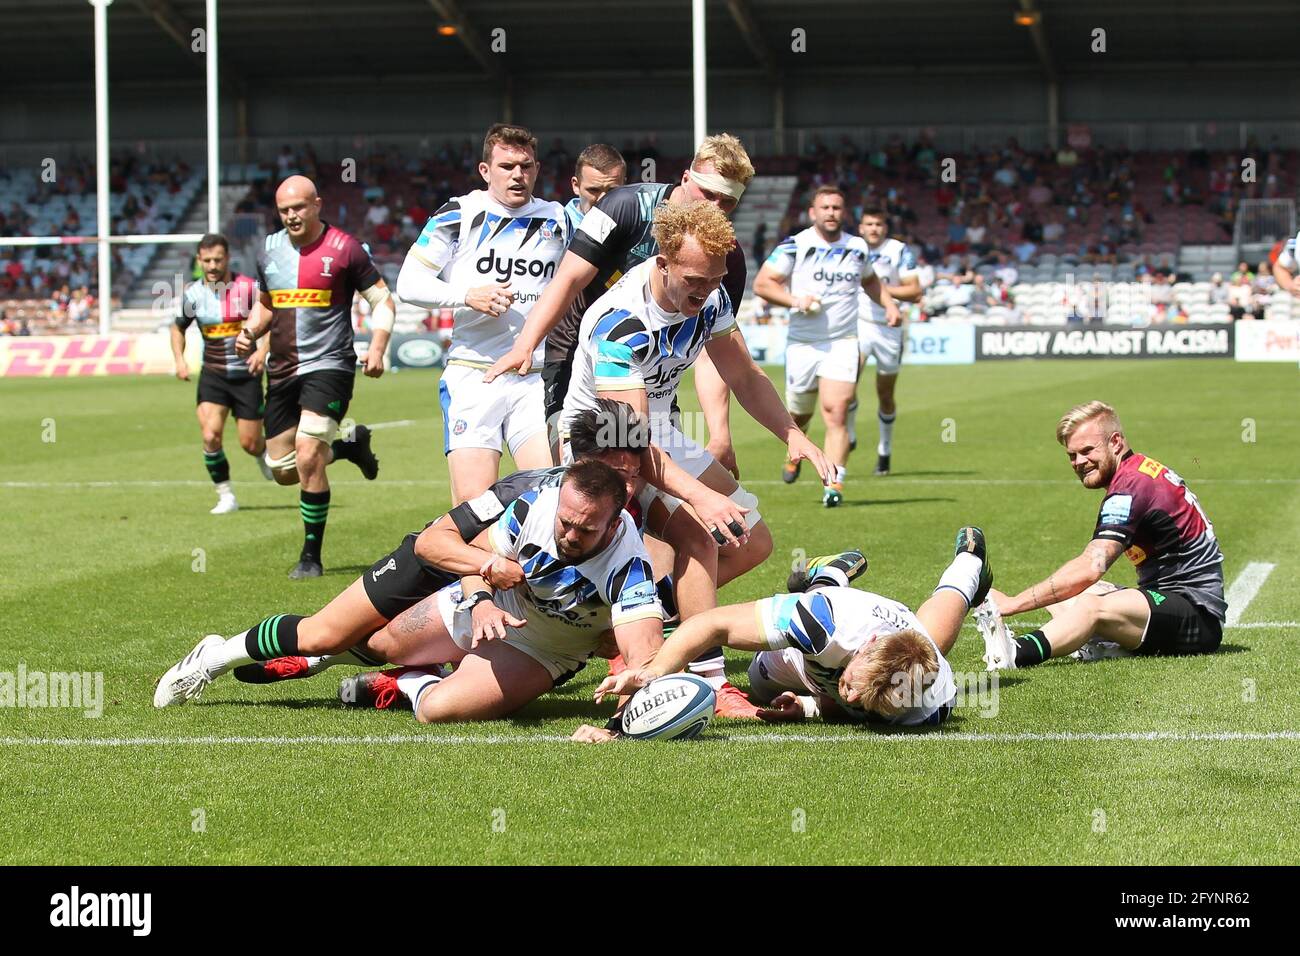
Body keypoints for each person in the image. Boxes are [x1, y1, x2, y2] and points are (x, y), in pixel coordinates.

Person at [560, 200, 833, 713]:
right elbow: (632, 444)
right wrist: (702, 499)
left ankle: (639, 623)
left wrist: (791, 432)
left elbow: (745, 376)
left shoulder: (711, 297)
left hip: (656, 427)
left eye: (716, 279)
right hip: (601, 443)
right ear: (661, 262)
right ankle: (711, 681)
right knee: (696, 536)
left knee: (751, 540)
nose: (706, 290)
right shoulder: (618, 322)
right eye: (695, 279)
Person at [154, 460, 665, 733]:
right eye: (566, 523)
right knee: (335, 634)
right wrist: (483, 591)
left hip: (541, 643)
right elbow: (443, 544)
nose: (570, 535)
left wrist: (620, 722)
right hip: (445, 563)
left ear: (616, 519)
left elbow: (644, 658)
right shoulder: (529, 495)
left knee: (438, 711)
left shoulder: (630, 565)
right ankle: (219, 656)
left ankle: (405, 682)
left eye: (585, 529)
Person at [578, 527, 996, 741]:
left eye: (863, 700)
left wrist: (812, 708)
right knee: (759, 678)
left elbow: (858, 705)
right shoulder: (823, 622)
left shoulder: (926, 703)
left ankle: (969, 564)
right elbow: (710, 624)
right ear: (867, 646)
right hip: (829, 625)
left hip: (896, 639)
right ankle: (829, 574)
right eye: (852, 683)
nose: (849, 695)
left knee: (932, 640)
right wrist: (646, 681)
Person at [980, 401, 1225, 669]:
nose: (1079, 462)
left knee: (1087, 603)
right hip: (1167, 603)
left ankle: (1014, 653)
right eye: (1072, 455)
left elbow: (1091, 567)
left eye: (1087, 451)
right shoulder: (1135, 472)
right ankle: (1098, 646)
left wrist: (1011, 605)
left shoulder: (1130, 487)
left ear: (1116, 442)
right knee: (1067, 594)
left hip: (1197, 617)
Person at [395, 124, 567, 505]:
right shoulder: (460, 213)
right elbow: (408, 283)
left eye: (526, 166)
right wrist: (467, 295)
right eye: (506, 166)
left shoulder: (560, 219)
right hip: (475, 375)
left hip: (534, 378)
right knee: (475, 506)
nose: (517, 175)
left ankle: (537, 566)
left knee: (551, 497)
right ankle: (473, 566)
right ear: (485, 171)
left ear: (537, 169)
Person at [237, 175, 393, 579]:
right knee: (282, 470)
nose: (291, 216)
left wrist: (377, 347)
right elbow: (267, 306)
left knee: (308, 454)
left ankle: (311, 556)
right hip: (282, 370)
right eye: (284, 210)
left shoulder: (346, 249)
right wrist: (250, 331)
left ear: (317, 205)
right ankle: (349, 447)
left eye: (299, 208)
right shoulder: (268, 250)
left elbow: (382, 300)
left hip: (331, 365)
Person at [753, 186, 899, 505]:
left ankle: (834, 484)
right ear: (812, 213)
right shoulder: (795, 245)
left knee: (837, 410)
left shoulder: (858, 247)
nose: (831, 212)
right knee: (798, 413)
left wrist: (888, 305)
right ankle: (796, 449)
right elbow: (762, 284)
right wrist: (795, 299)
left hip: (842, 342)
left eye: (837, 207)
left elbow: (871, 281)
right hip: (803, 345)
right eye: (825, 207)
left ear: (844, 212)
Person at [169, 233, 271, 514]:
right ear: (199, 261)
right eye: (207, 260)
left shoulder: (248, 289)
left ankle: (262, 452)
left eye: (218, 259)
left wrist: (262, 352)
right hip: (213, 376)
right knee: (211, 435)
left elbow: (273, 319)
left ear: (228, 258)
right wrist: (179, 360)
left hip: (246, 375)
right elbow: (178, 327)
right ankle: (226, 496)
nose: (212, 265)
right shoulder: (193, 294)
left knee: (249, 443)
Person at [850, 207, 922, 474]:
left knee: (885, 393)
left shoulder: (899, 250)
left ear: (885, 228)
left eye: (878, 224)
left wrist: (877, 289)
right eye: (869, 224)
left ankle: (885, 450)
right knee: (845, 385)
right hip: (858, 324)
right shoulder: (852, 248)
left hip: (889, 327)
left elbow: (915, 291)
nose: (873, 229)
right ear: (860, 227)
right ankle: (848, 435)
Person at [561, 144, 626, 239]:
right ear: (576, 186)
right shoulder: (557, 229)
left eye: (612, 191)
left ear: (625, 188)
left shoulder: (636, 228)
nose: (602, 199)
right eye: (594, 190)